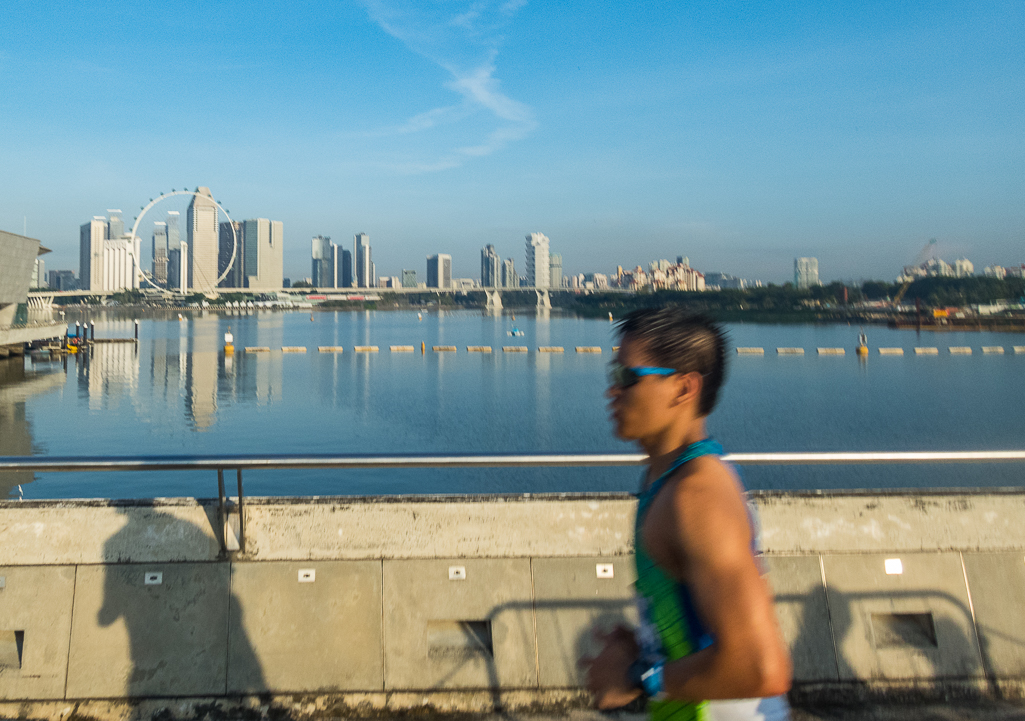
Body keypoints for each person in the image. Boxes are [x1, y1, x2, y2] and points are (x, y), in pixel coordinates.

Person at [585, 308, 792, 721]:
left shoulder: (696, 497)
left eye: (628, 377)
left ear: (683, 389)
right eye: (613, 375)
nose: (613, 391)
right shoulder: (664, 479)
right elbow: (701, 623)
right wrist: (647, 643)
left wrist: (636, 678)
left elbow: (759, 667)